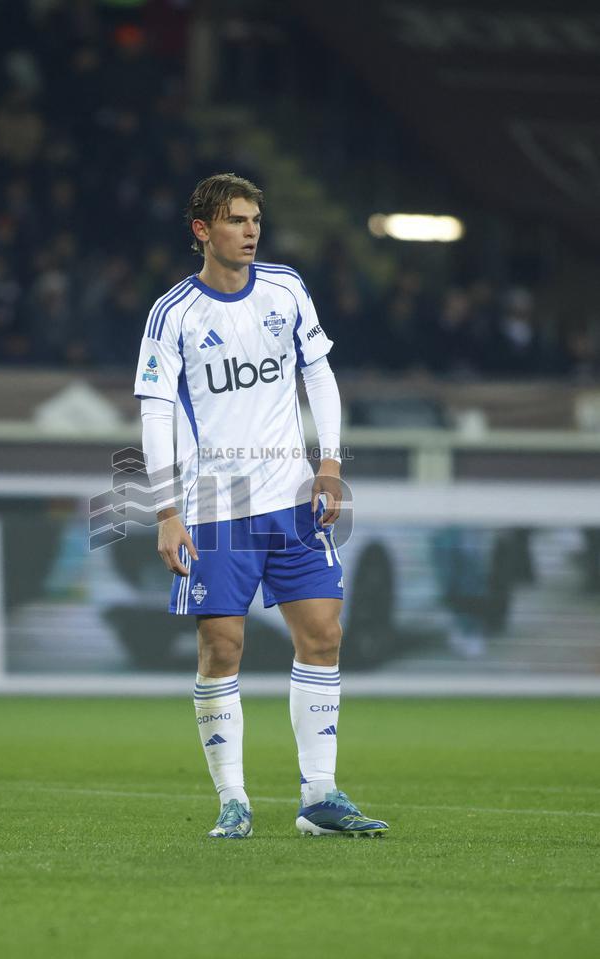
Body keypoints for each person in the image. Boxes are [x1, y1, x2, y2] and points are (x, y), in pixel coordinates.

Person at [134, 173, 388, 840]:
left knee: (324, 635)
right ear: (201, 231)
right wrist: (165, 509)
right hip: (214, 504)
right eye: (235, 221)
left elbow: (318, 374)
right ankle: (233, 801)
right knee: (222, 646)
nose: (249, 231)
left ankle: (319, 796)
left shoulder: (285, 289)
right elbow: (155, 412)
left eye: (254, 220)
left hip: (290, 498)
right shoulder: (173, 315)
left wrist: (328, 464)